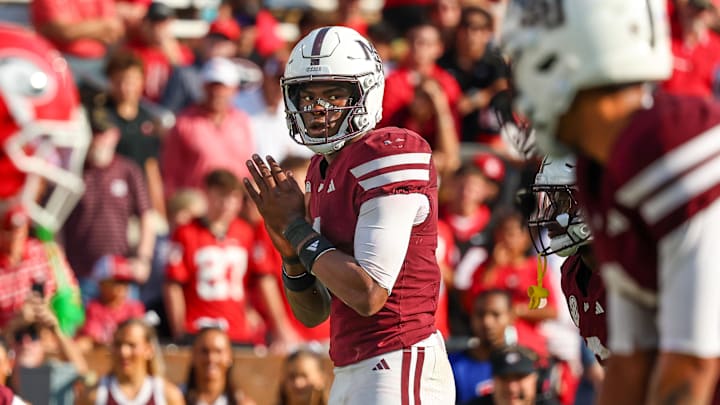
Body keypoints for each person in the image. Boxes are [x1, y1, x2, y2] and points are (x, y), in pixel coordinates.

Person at [502, 0, 720, 403]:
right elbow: (631, 359)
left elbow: (693, 365)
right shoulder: (598, 170)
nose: (522, 88)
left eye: (533, 62)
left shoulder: (677, 144)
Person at [244, 26, 455, 404]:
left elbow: (368, 293)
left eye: (333, 94)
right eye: (307, 96)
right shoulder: (319, 170)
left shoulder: (389, 152)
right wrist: (291, 255)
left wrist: (296, 229)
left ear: (367, 91)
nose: (316, 108)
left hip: (399, 360)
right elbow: (313, 314)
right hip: (348, 366)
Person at [164, 169, 298, 346]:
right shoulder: (186, 232)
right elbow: (173, 284)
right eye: (220, 196)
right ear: (207, 194)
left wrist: (277, 326)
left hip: (237, 331)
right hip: (197, 329)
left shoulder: (246, 233)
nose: (226, 204)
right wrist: (178, 330)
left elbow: (261, 281)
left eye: (232, 197)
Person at [61, 102, 154, 302]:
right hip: (79, 274)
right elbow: (56, 223)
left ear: (115, 135)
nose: (98, 139)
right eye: (94, 133)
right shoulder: (72, 170)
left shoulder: (128, 170)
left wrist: (143, 259)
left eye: (103, 133)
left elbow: (147, 216)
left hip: (120, 275)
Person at [526, 155, 608, 361]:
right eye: (552, 202)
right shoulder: (571, 274)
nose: (551, 215)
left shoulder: (629, 268)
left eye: (563, 201)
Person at [78, 318, 184, 405]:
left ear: (149, 350)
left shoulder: (168, 396)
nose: (123, 352)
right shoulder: (93, 395)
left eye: (132, 345)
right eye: (118, 344)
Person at [76, 255, 146, 349]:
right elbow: (91, 338)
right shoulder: (94, 308)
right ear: (101, 284)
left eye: (126, 282)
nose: (122, 287)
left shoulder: (135, 308)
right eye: (117, 282)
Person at [185, 327, 255, 405]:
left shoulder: (241, 402)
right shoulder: (175, 398)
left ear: (230, 356)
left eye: (218, 351)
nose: (211, 358)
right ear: (193, 355)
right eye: (204, 351)